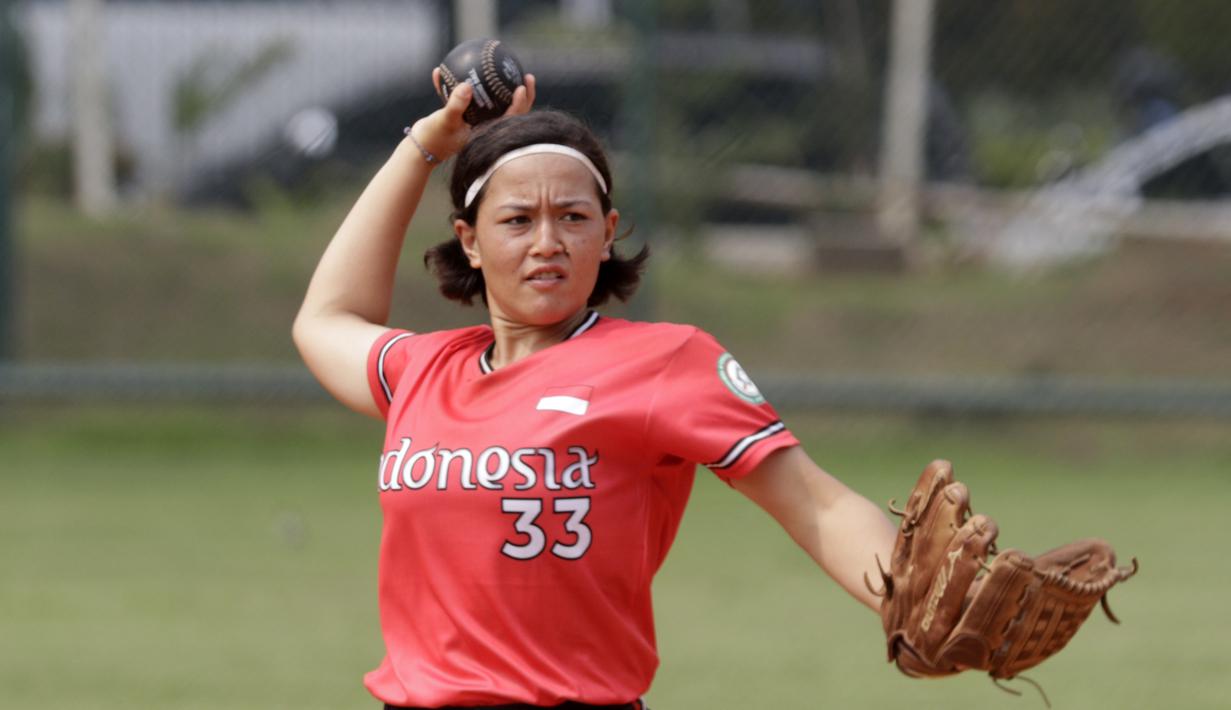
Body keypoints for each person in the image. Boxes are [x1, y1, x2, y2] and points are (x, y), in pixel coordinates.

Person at [293, 70, 897, 710]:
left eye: (572, 217)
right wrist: (422, 146)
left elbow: (815, 503)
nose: (547, 243)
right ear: (470, 241)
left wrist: (907, 596)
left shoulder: (662, 362)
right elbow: (326, 318)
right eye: (517, 220)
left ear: (607, 233)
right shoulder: (426, 369)